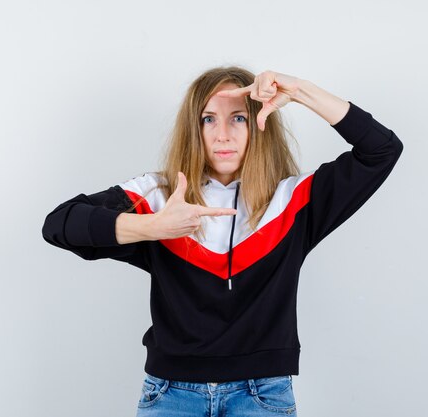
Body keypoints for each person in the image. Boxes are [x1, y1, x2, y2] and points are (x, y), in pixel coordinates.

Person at [41, 66, 404, 416]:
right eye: (209, 118)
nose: (223, 134)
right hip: (170, 394)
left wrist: (298, 91)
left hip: (262, 396)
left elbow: (381, 150)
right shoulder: (159, 196)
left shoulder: (293, 201)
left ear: (259, 125)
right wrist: (153, 227)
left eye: (239, 118)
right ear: (193, 128)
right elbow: (60, 223)